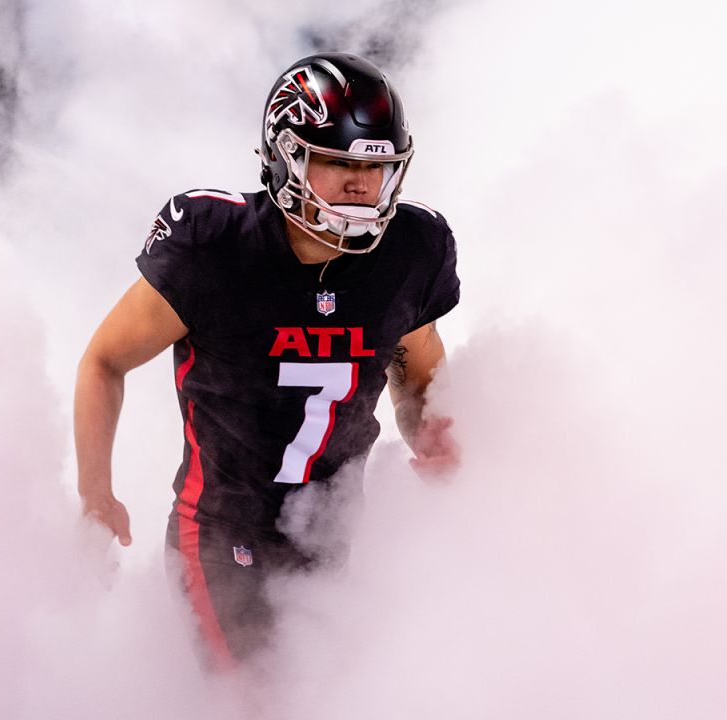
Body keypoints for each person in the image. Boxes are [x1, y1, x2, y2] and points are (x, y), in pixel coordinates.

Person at [73, 52, 461, 671]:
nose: (363, 186)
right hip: (224, 534)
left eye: (378, 166)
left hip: (332, 537)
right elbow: (103, 361)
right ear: (286, 157)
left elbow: (415, 376)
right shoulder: (212, 245)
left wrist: (434, 437)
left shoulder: (412, 252)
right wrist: (95, 495)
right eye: (338, 162)